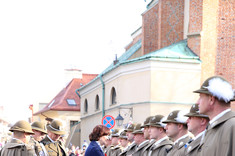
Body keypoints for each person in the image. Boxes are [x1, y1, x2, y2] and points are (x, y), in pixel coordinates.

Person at [193, 75, 235, 156]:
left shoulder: (232, 126)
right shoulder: (212, 128)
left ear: (211, 99)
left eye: (201, 97)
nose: (197, 102)